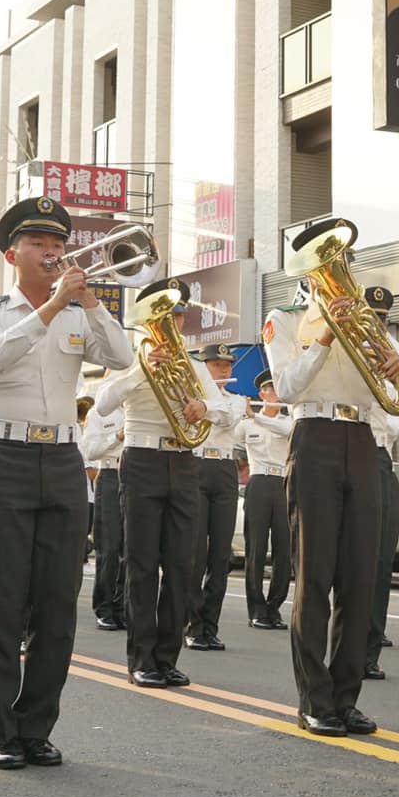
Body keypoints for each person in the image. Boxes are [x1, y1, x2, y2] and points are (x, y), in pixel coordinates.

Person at [0, 198, 132, 768]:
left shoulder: (78, 312)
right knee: (3, 599)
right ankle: (1, 729)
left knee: (58, 603)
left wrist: (88, 303)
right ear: (14, 254)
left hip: (62, 457)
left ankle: (37, 727)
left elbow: (121, 356)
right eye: (39, 244)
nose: (54, 253)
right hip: (4, 456)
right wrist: (51, 307)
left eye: (58, 244)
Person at [264, 218, 399, 737]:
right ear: (309, 276)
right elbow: (288, 389)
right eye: (329, 269)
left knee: (361, 579)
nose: (340, 277)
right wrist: (321, 339)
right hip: (314, 437)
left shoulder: (369, 322)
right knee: (315, 578)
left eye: (344, 266)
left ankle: (345, 697)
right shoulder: (285, 320)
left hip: (363, 442)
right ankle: (314, 699)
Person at [97, 287, 240, 690]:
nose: (172, 325)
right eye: (165, 318)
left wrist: (203, 408)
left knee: (181, 565)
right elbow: (104, 403)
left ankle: (167, 656)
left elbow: (225, 410)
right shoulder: (129, 360)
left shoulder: (193, 366)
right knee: (142, 565)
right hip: (141, 460)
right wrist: (144, 369)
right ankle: (141, 659)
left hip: (183, 462)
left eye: (177, 319)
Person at [187, 343, 245, 653]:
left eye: (227, 365)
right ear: (204, 367)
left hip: (224, 469)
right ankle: (193, 625)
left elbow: (227, 421)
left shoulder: (236, 400)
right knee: (195, 553)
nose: (223, 370)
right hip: (195, 465)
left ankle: (210, 626)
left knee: (220, 555)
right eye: (216, 365)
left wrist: (208, 406)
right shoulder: (188, 394)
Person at [361, 288, 399, 680]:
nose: (378, 325)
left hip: (382, 458)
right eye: (373, 318)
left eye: (384, 320)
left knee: (380, 561)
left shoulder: (391, 357)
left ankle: (370, 651)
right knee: (351, 560)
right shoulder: (348, 354)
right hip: (353, 452)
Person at [239, 371, 293, 631]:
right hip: (259, 483)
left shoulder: (289, 420)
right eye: (271, 390)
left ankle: (275, 607)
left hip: (283, 483)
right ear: (262, 394)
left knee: (284, 550)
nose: (276, 395)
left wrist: (255, 415)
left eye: (279, 390)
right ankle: (257, 609)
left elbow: (287, 429)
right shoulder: (248, 424)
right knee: (256, 549)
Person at [82, 393, 127, 632]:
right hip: (110, 474)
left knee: (131, 549)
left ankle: (123, 606)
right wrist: (117, 436)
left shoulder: (142, 405)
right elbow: (90, 450)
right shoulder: (99, 412)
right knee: (108, 548)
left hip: (138, 475)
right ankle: (105, 607)